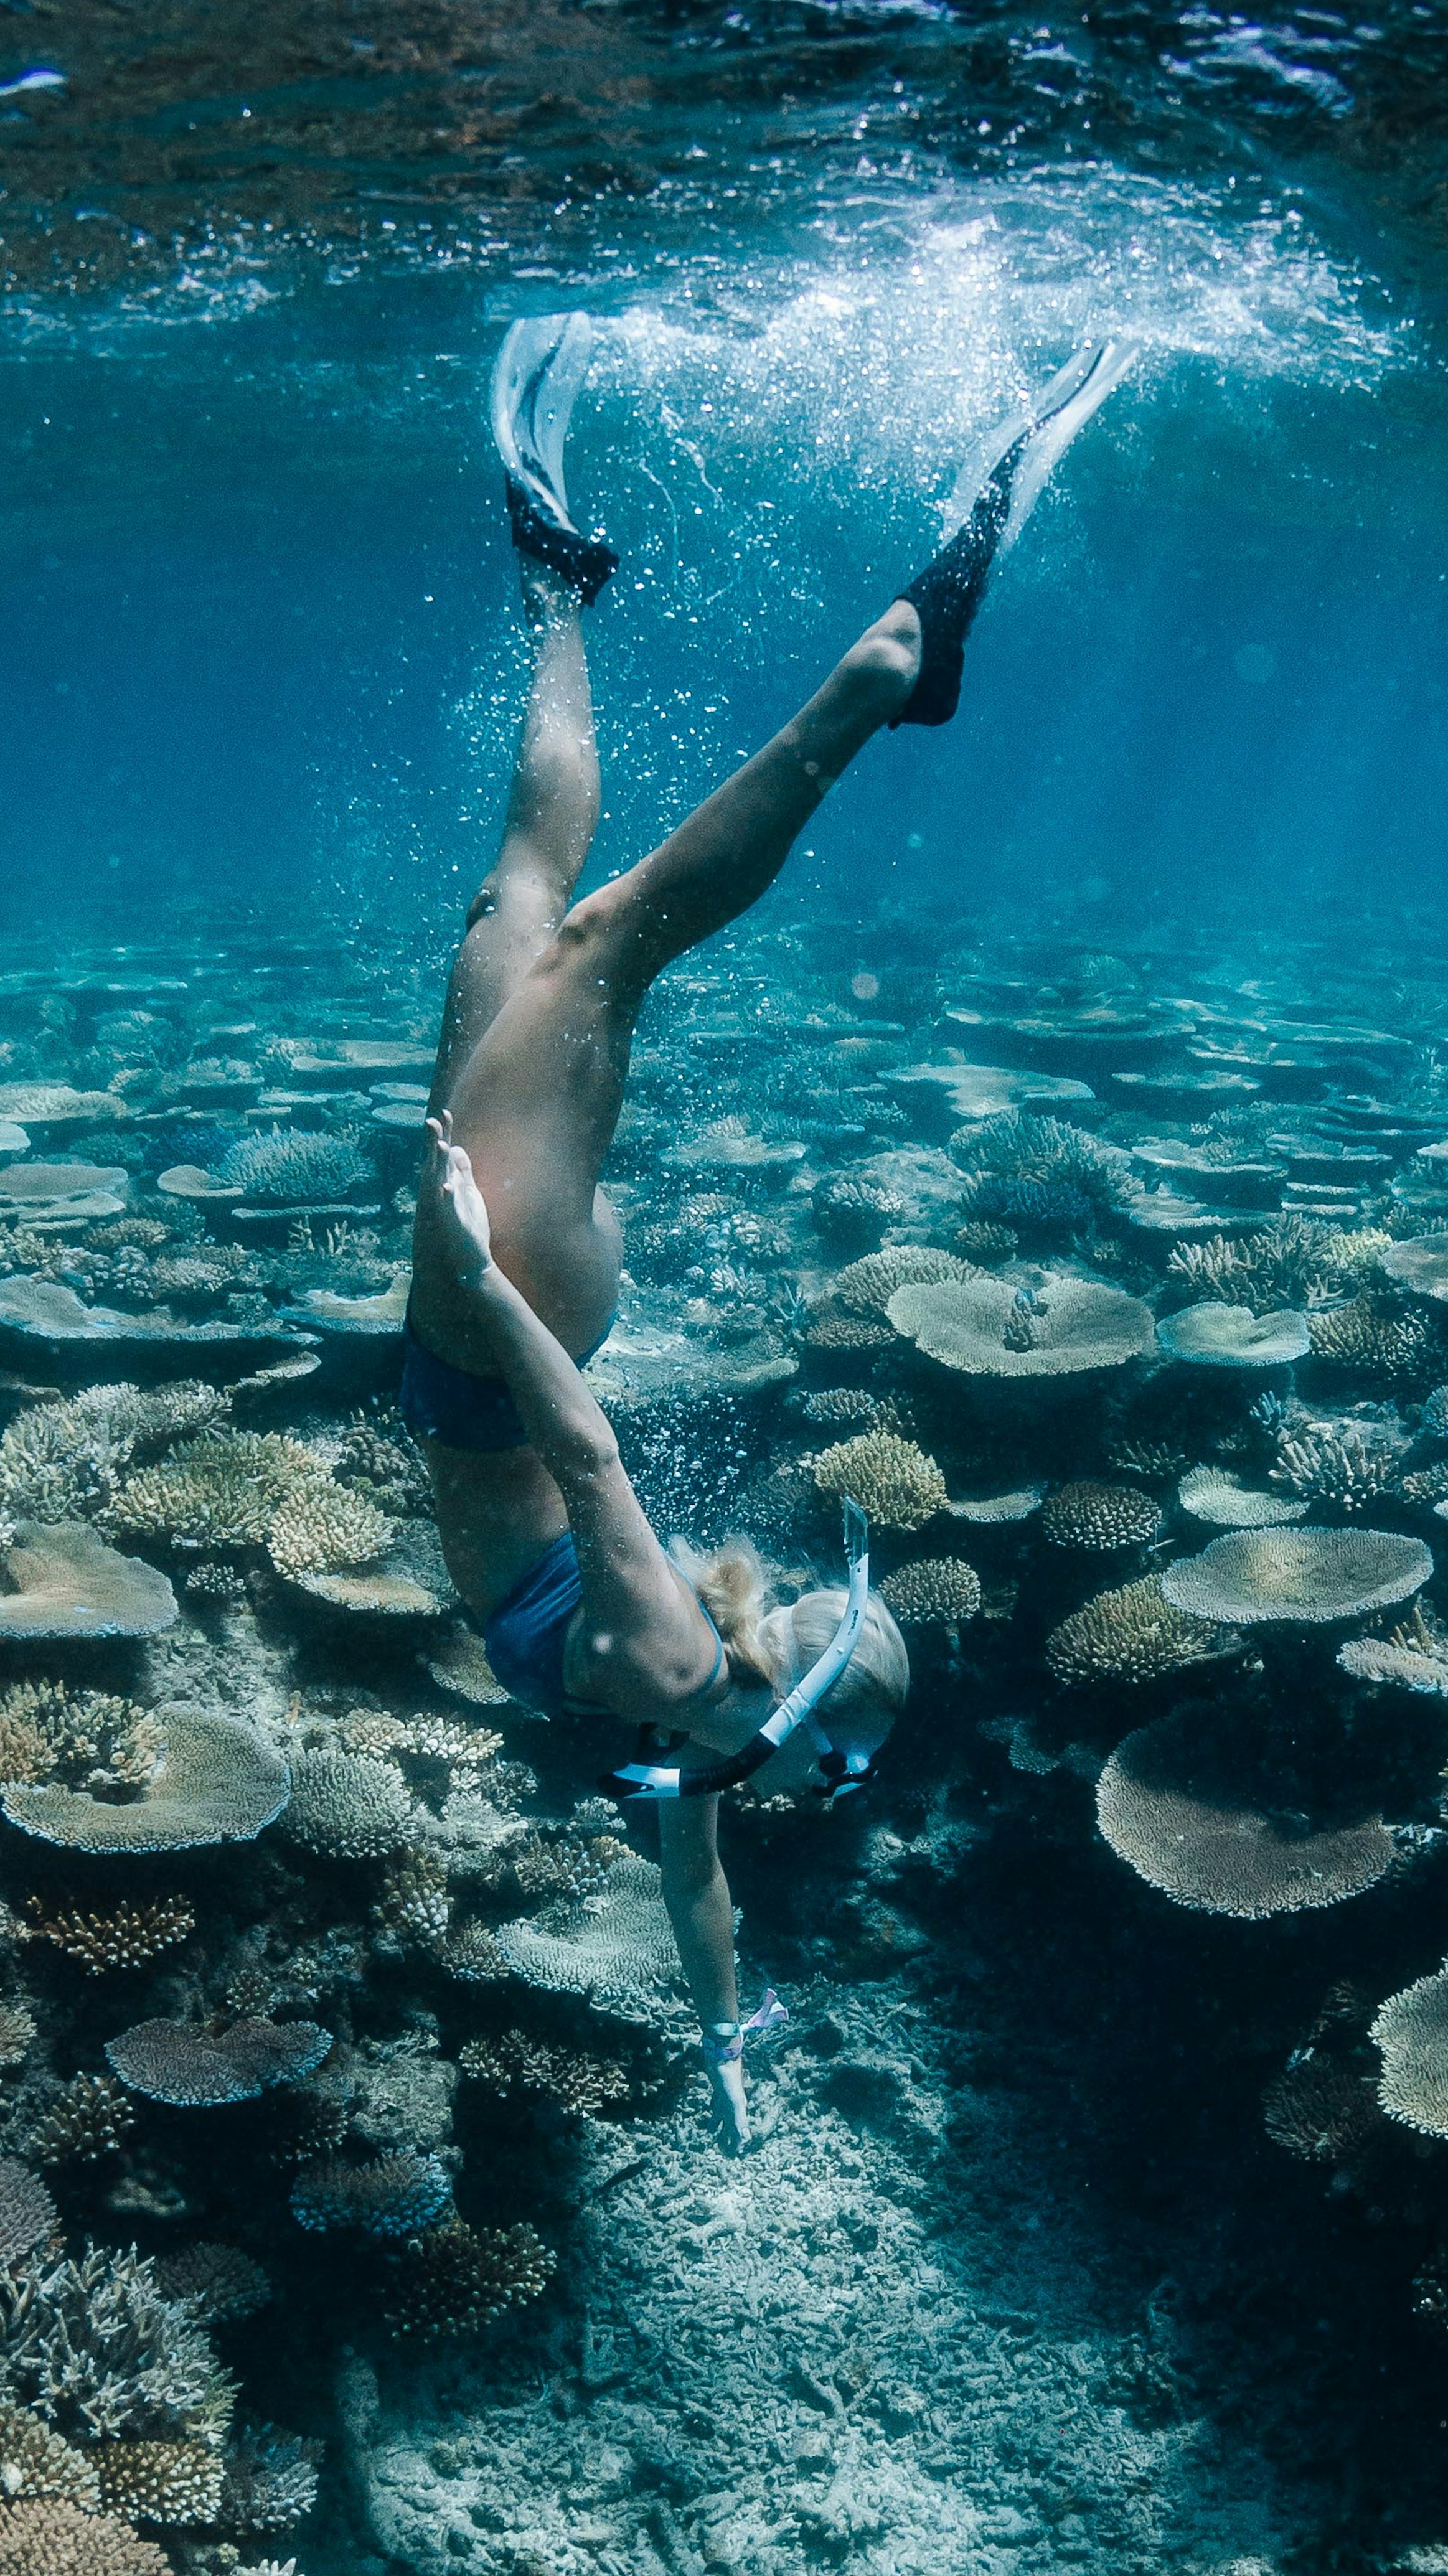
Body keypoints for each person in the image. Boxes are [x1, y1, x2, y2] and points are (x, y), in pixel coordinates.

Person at [406, 317, 1131, 2147]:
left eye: (825, 1615)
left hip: (503, 1326)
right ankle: (891, 666)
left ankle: (554, 582)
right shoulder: (688, 1712)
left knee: (524, 900)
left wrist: (729, 2043)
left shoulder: (685, 1716)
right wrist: (481, 1275)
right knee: (605, 939)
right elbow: (574, 1445)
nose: (814, 1586)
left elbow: (695, 1893)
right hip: (502, 1324)